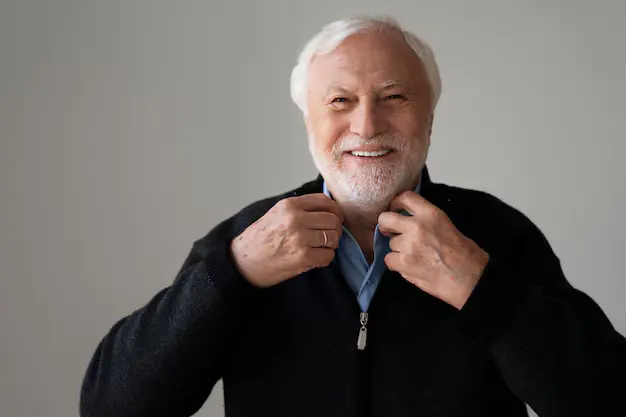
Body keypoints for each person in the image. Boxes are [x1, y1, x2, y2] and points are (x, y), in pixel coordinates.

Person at [80, 16, 626, 417]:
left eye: (394, 97)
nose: (366, 126)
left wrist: (483, 290)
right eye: (340, 101)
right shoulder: (246, 239)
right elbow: (109, 408)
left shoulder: (498, 234)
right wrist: (232, 274)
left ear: (429, 117)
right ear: (308, 120)